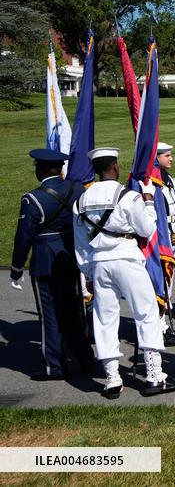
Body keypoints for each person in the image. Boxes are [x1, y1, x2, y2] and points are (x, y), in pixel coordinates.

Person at [73, 147, 175, 399]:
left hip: (99, 262)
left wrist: (88, 272)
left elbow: (80, 243)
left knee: (105, 320)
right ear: (114, 167)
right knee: (146, 313)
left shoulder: (81, 200)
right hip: (127, 257)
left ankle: (112, 378)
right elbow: (146, 229)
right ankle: (155, 374)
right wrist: (148, 201)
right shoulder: (127, 196)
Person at [11, 149, 95, 380]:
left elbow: (24, 236)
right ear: (60, 168)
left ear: (40, 169)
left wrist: (17, 268)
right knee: (73, 311)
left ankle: (54, 366)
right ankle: (85, 359)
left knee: (49, 314)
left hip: (45, 260)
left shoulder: (34, 198)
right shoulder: (77, 189)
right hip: (70, 255)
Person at [156, 142, 175, 346]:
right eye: (167, 155)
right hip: (161, 237)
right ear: (156, 158)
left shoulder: (169, 179)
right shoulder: (152, 181)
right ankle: (158, 329)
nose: (171, 158)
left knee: (169, 285)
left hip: (173, 235)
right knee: (160, 286)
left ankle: (165, 326)